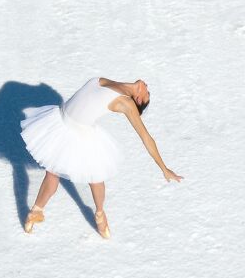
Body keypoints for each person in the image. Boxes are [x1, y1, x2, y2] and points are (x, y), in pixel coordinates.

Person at [20, 77, 183, 238]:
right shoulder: (114, 84)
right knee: (52, 172)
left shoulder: (125, 103)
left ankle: (99, 214)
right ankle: (36, 211)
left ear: (138, 99)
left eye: (147, 93)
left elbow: (145, 137)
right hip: (61, 123)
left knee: (96, 178)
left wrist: (164, 168)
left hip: (79, 134)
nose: (147, 86)